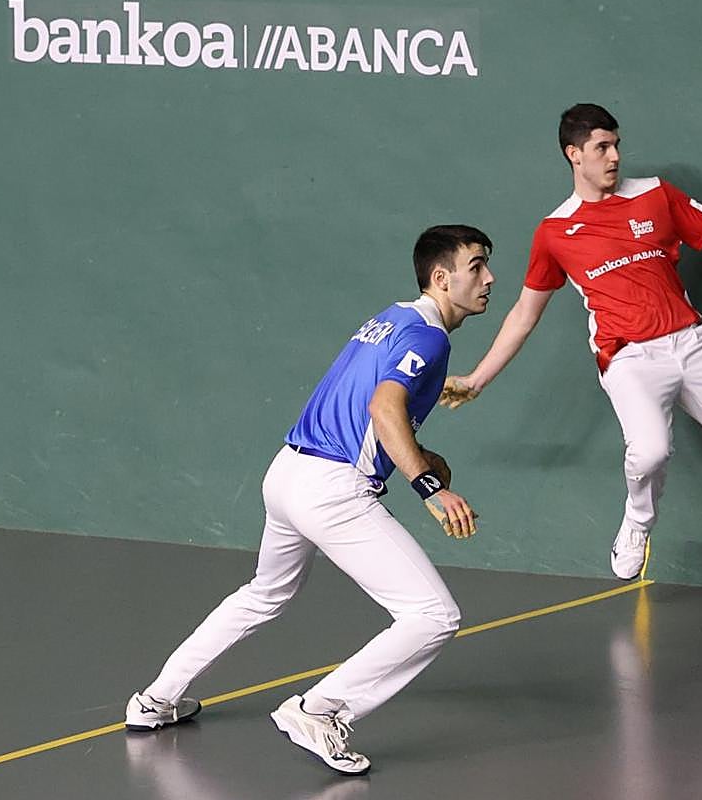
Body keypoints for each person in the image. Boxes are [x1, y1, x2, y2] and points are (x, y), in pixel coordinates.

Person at [441, 104, 702, 605]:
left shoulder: (656, 194)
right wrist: (476, 379)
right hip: (629, 360)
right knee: (651, 451)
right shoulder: (556, 232)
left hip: (693, 345)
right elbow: (523, 313)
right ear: (573, 154)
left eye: (616, 144)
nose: (615, 155)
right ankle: (638, 522)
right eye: (602, 147)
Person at [124, 225, 496, 774]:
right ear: (442, 278)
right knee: (432, 615)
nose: (489, 279)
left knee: (264, 593)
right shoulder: (431, 338)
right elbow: (383, 410)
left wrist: (422, 454)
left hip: (287, 473)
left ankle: (155, 699)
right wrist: (429, 486)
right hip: (332, 490)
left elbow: (368, 405)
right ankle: (319, 710)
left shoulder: (390, 318)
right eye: (477, 266)